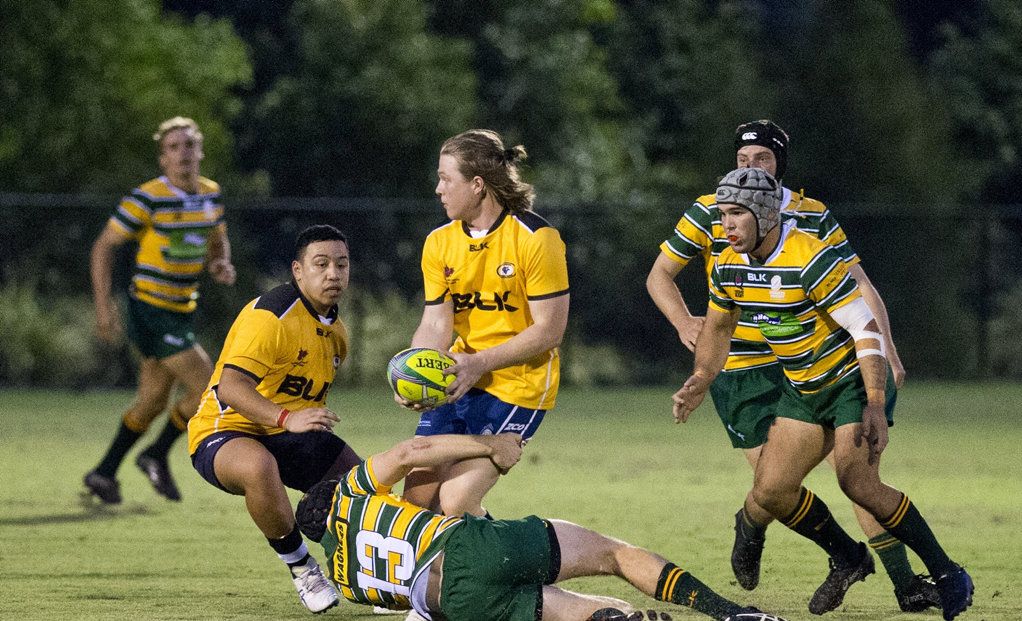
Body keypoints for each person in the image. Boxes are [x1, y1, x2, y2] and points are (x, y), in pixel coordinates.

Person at [645, 119, 937, 612]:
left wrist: (885, 343)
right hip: (741, 368)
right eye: (743, 159)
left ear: (780, 164)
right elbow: (660, 275)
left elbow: (857, 282)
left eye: (762, 158)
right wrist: (683, 323)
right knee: (774, 491)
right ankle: (830, 551)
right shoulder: (709, 209)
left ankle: (906, 583)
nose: (751, 166)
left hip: (813, 360)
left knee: (858, 472)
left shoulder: (811, 214)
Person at [294, 432, 788, 621]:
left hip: (451, 603)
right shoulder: (352, 492)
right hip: (464, 547)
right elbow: (409, 454)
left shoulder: (344, 581)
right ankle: (732, 614)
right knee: (611, 554)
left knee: (586, 615)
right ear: (331, 494)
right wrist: (488, 445)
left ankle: (620, 619)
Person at [187, 225, 362, 614]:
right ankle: (302, 566)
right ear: (298, 271)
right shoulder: (273, 314)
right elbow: (230, 388)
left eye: (341, 264)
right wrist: (286, 418)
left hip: (284, 433)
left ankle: (369, 578)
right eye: (321, 264)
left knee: (364, 487)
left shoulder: (337, 335)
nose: (333, 273)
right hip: (225, 429)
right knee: (258, 465)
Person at [398, 129, 570, 519]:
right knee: (417, 501)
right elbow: (436, 324)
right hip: (460, 377)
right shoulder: (439, 243)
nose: (438, 189)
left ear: (477, 185)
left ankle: (523, 574)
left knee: (455, 502)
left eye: (446, 178)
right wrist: (414, 372)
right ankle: (456, 578)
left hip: (518, 385)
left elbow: (549, 331)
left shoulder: (536, 238)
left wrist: (480, 364)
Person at [83, 116, 236, 505]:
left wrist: (221, 263)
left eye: (188, 145)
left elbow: (217, 239)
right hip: (150, 310)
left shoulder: (210, 194)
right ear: (163, 158)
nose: (182, 153)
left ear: (200, 151)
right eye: (173, 147)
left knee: (152, 401)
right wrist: (104, 307)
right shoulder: (148, 197)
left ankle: (103, 473)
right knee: (211, 387)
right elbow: (103, 248)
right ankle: (155, 454)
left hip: (182, 309)